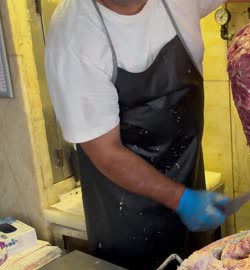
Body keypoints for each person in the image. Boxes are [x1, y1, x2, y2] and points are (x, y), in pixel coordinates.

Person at [44, 0, 229, 268]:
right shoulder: (74, 34)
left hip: (188, 178)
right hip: (125, 215)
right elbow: (106, 153)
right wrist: (182, 199)